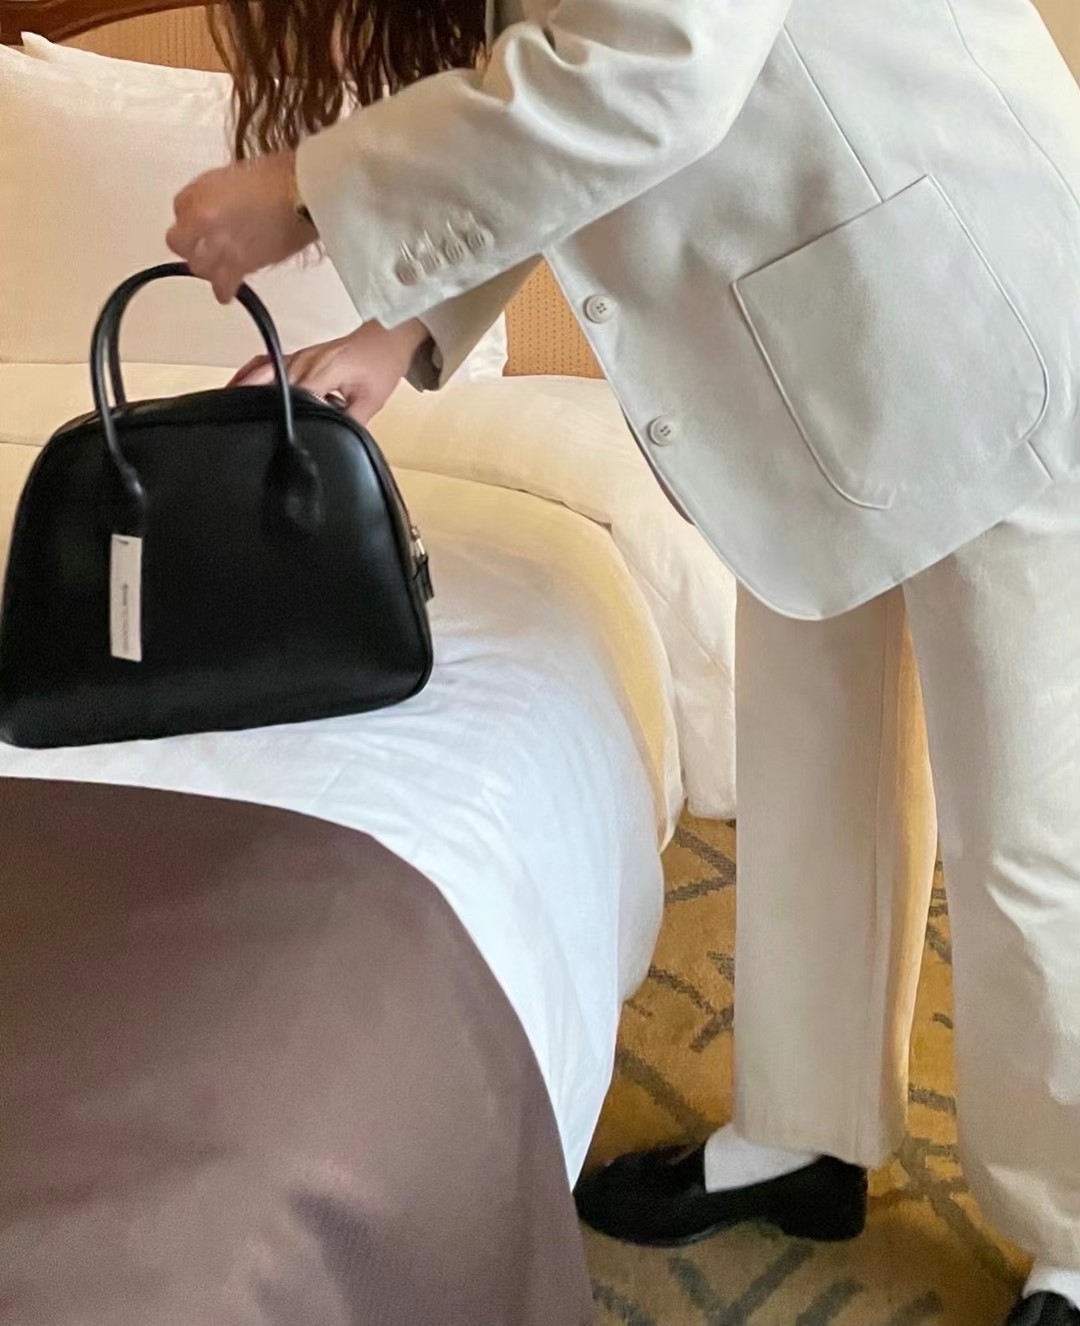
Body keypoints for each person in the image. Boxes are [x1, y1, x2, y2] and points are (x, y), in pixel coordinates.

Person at [166, 2, 1080, 1321]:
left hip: (987, 305)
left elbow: (653, 69)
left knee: (1035, 829)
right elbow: (563, 90)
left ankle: (1074, 1225)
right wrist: (401, 332)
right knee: (811, 770)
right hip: (810, 347)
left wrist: (305, 189)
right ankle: (806, 1129)